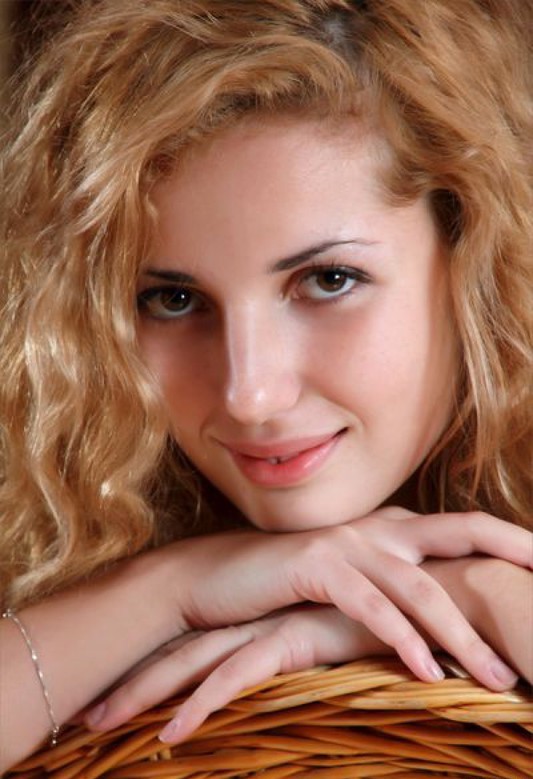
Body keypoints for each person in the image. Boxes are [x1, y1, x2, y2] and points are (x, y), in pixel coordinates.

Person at [1, 0, 531, 771]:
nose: (249, 395)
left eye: (328, 279)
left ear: (473, 257)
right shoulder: (42, 508)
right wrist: (169, 589)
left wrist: (480, 593)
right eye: (171, 298)